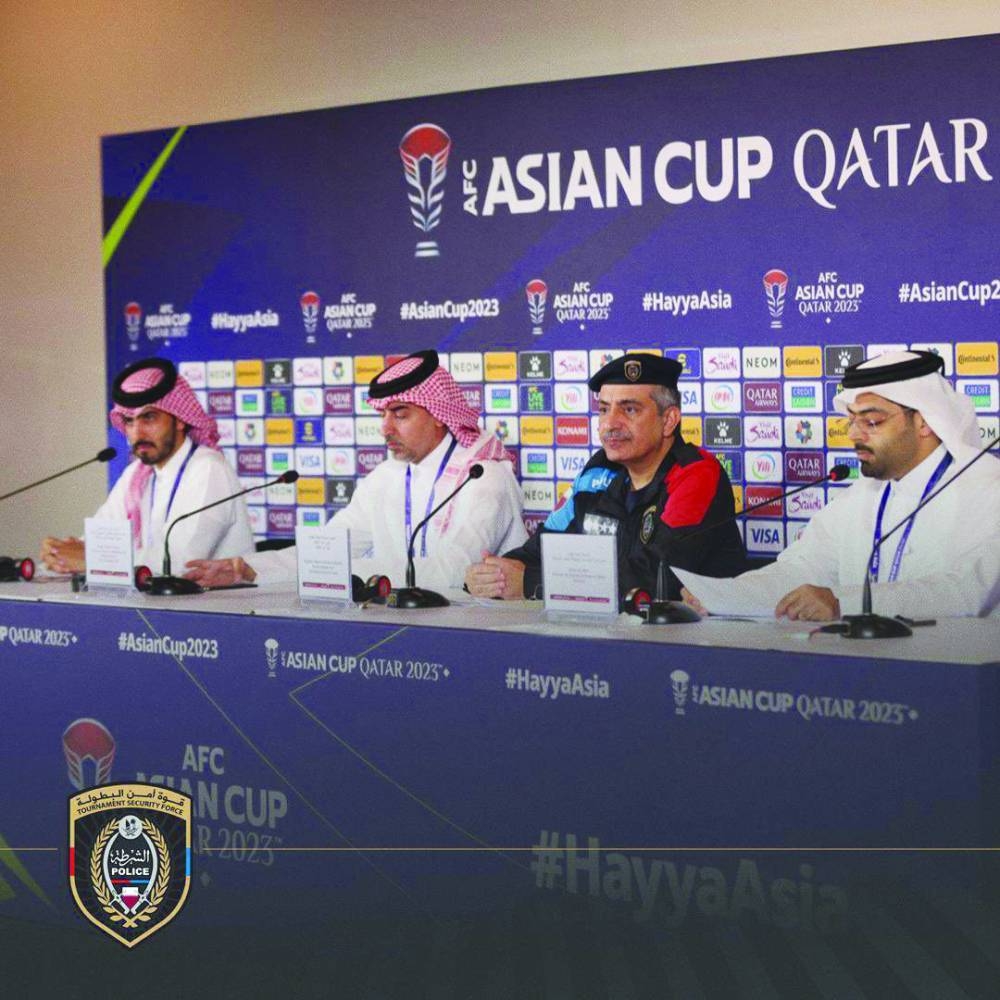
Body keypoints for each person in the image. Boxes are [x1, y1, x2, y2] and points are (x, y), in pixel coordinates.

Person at [680, 350, 1000, 621]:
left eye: (871, 421)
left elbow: (966, 592)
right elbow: (802, 568)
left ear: (926, 421)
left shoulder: (989, 488)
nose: (854, 434)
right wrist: (725, 596)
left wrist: (842, 603)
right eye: (852, 419)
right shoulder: (862, 496)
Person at [184, 350, 527, 590]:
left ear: (439, 415)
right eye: (383, 415)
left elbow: (455, 570)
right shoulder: (386, 477)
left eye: (400, 414)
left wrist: (346, 572)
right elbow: (330, 548)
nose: (385, 428)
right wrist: (250, 569)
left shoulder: (484, 476)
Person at [465, 352, 746, 602]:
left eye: (629, 409)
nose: (610, 424)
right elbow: (541, 549)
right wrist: (493, 575)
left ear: (668, 420)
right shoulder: (597, 471)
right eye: (603, 409)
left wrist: (530, 584)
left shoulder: (697, 474)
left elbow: (656, 579)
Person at [39, 357, 254, 575]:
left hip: (214, 606)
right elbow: (100, 537)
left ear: (180, 420)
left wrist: (92, 559)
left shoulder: (208, 468)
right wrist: (61, 553)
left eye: (149, 418)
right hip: (151, 604)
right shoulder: (137, 474)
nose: (137, 433)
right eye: (129, 421)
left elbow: (181, 563)